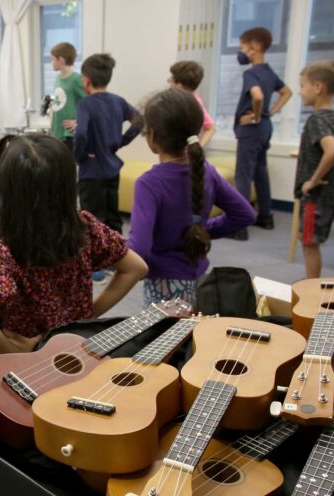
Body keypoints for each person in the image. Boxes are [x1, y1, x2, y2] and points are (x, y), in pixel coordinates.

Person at [0, 134, 147, 355]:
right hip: (78, 351)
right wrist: (87, 319)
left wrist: (22, 356)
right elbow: (136, 267)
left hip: (30, 373)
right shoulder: (85, 228)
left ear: (6, 191)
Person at [128, 89, 256, 307]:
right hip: (199, 282)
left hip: (163, 286)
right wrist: (201, 230)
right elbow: (245, 214)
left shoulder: (148, 183)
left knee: (164, 340)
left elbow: (139, 250)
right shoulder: (207, 171)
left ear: (153, 137)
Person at [73, 53, 142, 285]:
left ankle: (96, 269)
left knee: (91, 219)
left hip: (91, 171)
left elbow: (81, 133)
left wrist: (79, 155)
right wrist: (119, 142)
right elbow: (139, 120)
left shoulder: (85, 104)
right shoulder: (117, 101)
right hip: (113, 167)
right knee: (112, 216)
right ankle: (117, 261)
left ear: (85, 80)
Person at [232, 26, 293, 240]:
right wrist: (269, 113)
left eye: (243, 46)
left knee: (243, 176)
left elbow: (256, 96)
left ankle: (239, 226)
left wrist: (257, 115)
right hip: (265, 129)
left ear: (255, 47)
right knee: (260, 172)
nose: (241, 51)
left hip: (251, 130)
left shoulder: (251, 73)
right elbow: (287, 92)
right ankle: (266, 217)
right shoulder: (269, 71)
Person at [294, 61, 334, 279]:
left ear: (318, 87)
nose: (300, 92)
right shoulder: (331, 117)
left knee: (309, 242)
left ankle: (312, 290)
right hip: (327, 197)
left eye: (302, 86)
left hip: (316, 198)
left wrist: (312, 180)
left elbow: (331, 151)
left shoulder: (317, 119)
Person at [169, 60, 215, 147]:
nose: (170, 84)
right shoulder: (176, 100)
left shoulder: (194, 102)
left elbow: (210, 127)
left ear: (179, 86)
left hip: (183, 156)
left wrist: (199, 148)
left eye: (171, 81)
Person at [49, 42, 85, 149]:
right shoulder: (57, 78)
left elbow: (90, 103)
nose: (51, 62)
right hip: (56, 131)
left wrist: (78, 122)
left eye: (53, 59)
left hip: (68, 134)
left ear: (61, 60)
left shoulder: (76, 79)